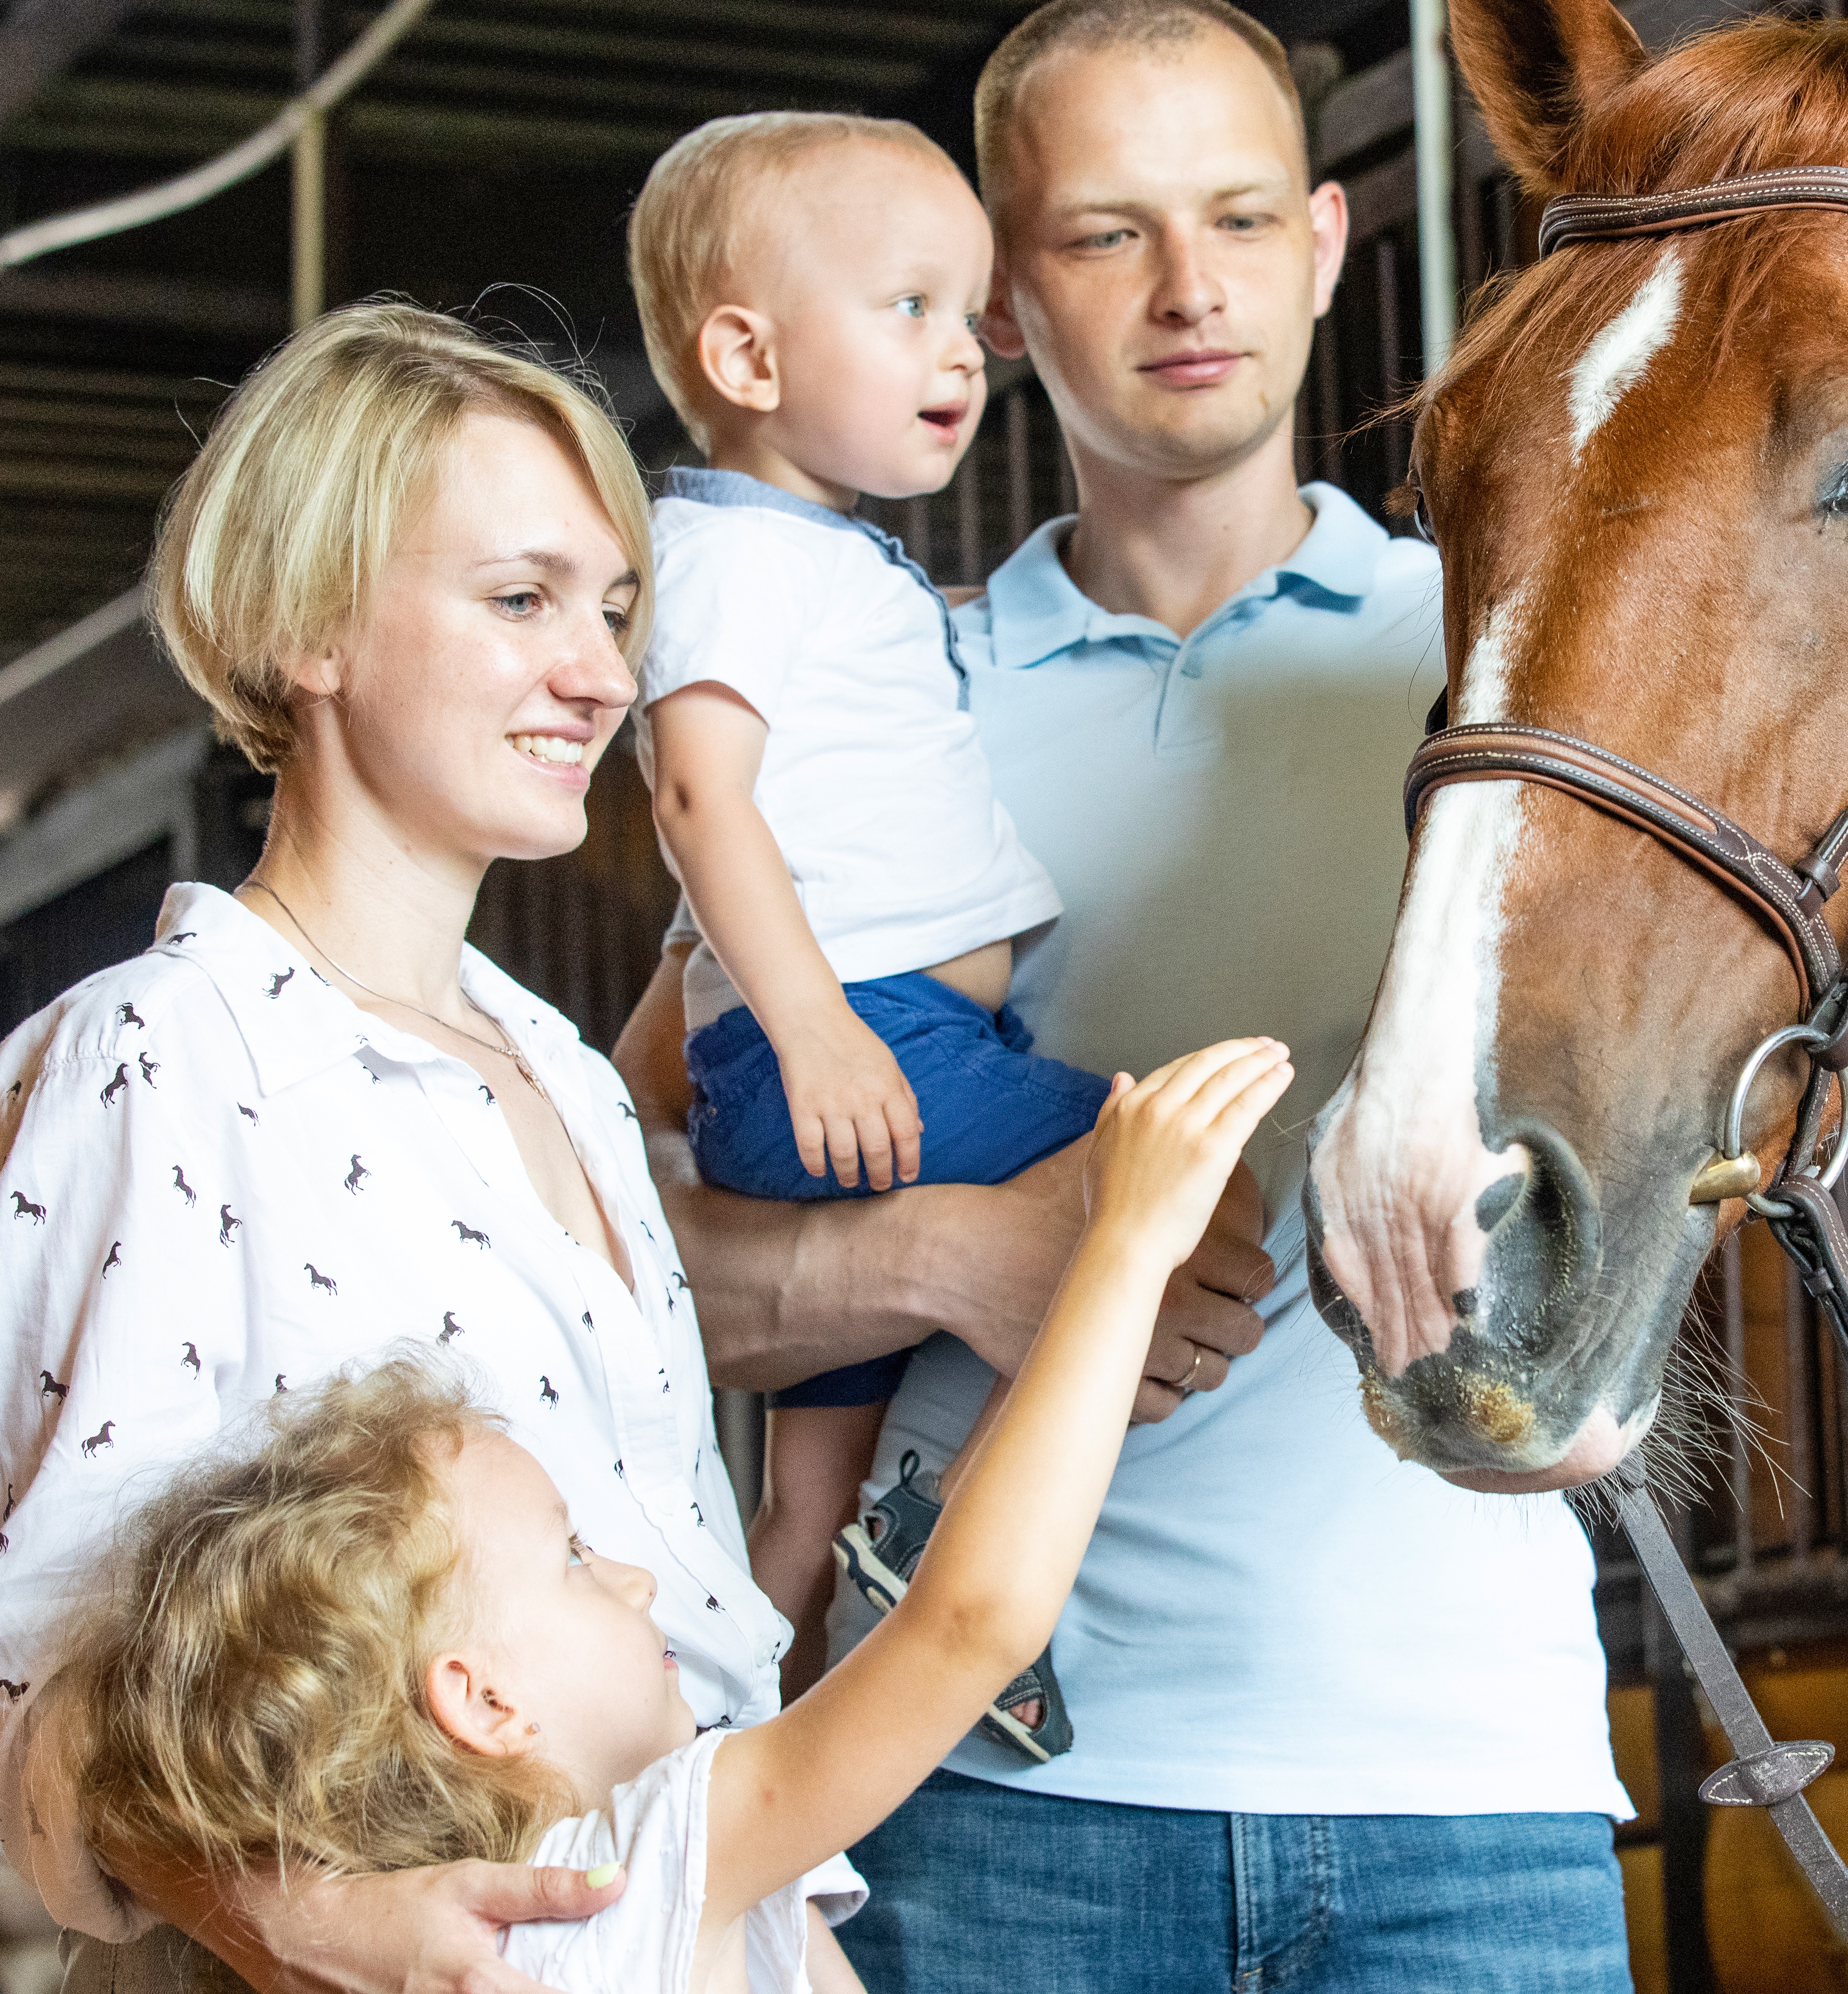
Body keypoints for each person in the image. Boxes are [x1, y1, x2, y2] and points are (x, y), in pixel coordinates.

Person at [614, 0, 1634, 1984]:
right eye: (1104, 236)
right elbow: (622, 1218)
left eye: (1243, 220)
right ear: (998, 300)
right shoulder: (887, 691)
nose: (1191, 289)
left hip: (1463, 1792)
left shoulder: (1511, 679)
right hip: (988, 1807)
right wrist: (959, 1258)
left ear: (1329, 246)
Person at [0, 302, 853, 1994]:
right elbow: (57, 1697)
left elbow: (700, 1644)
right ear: (310, 630)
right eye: (520, 600)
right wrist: (324, 1921)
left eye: (616, 608)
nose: (597, 671)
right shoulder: (164, 1052)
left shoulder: (564, 1070)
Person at [53, 1037, 1291, 1994]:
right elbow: (969, 1623)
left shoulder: (485, 1940)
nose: (642, 1585)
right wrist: (1125, 1244)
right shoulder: (617, 1877)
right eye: (578, 1564)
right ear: (482, 1700)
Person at [622, 112, 1136, 1750]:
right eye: (907, 304)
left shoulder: (811, 558)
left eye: (971, 308)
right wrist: (813, 1029)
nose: (965, 350)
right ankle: (939, 1533)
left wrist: (692, 1019)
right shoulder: (735, 562)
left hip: (846, 1043)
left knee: (795, 1504)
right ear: (745, 353)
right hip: (871, 1047)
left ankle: (713, 1814)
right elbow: (703, 805)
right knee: (1160, 1174)